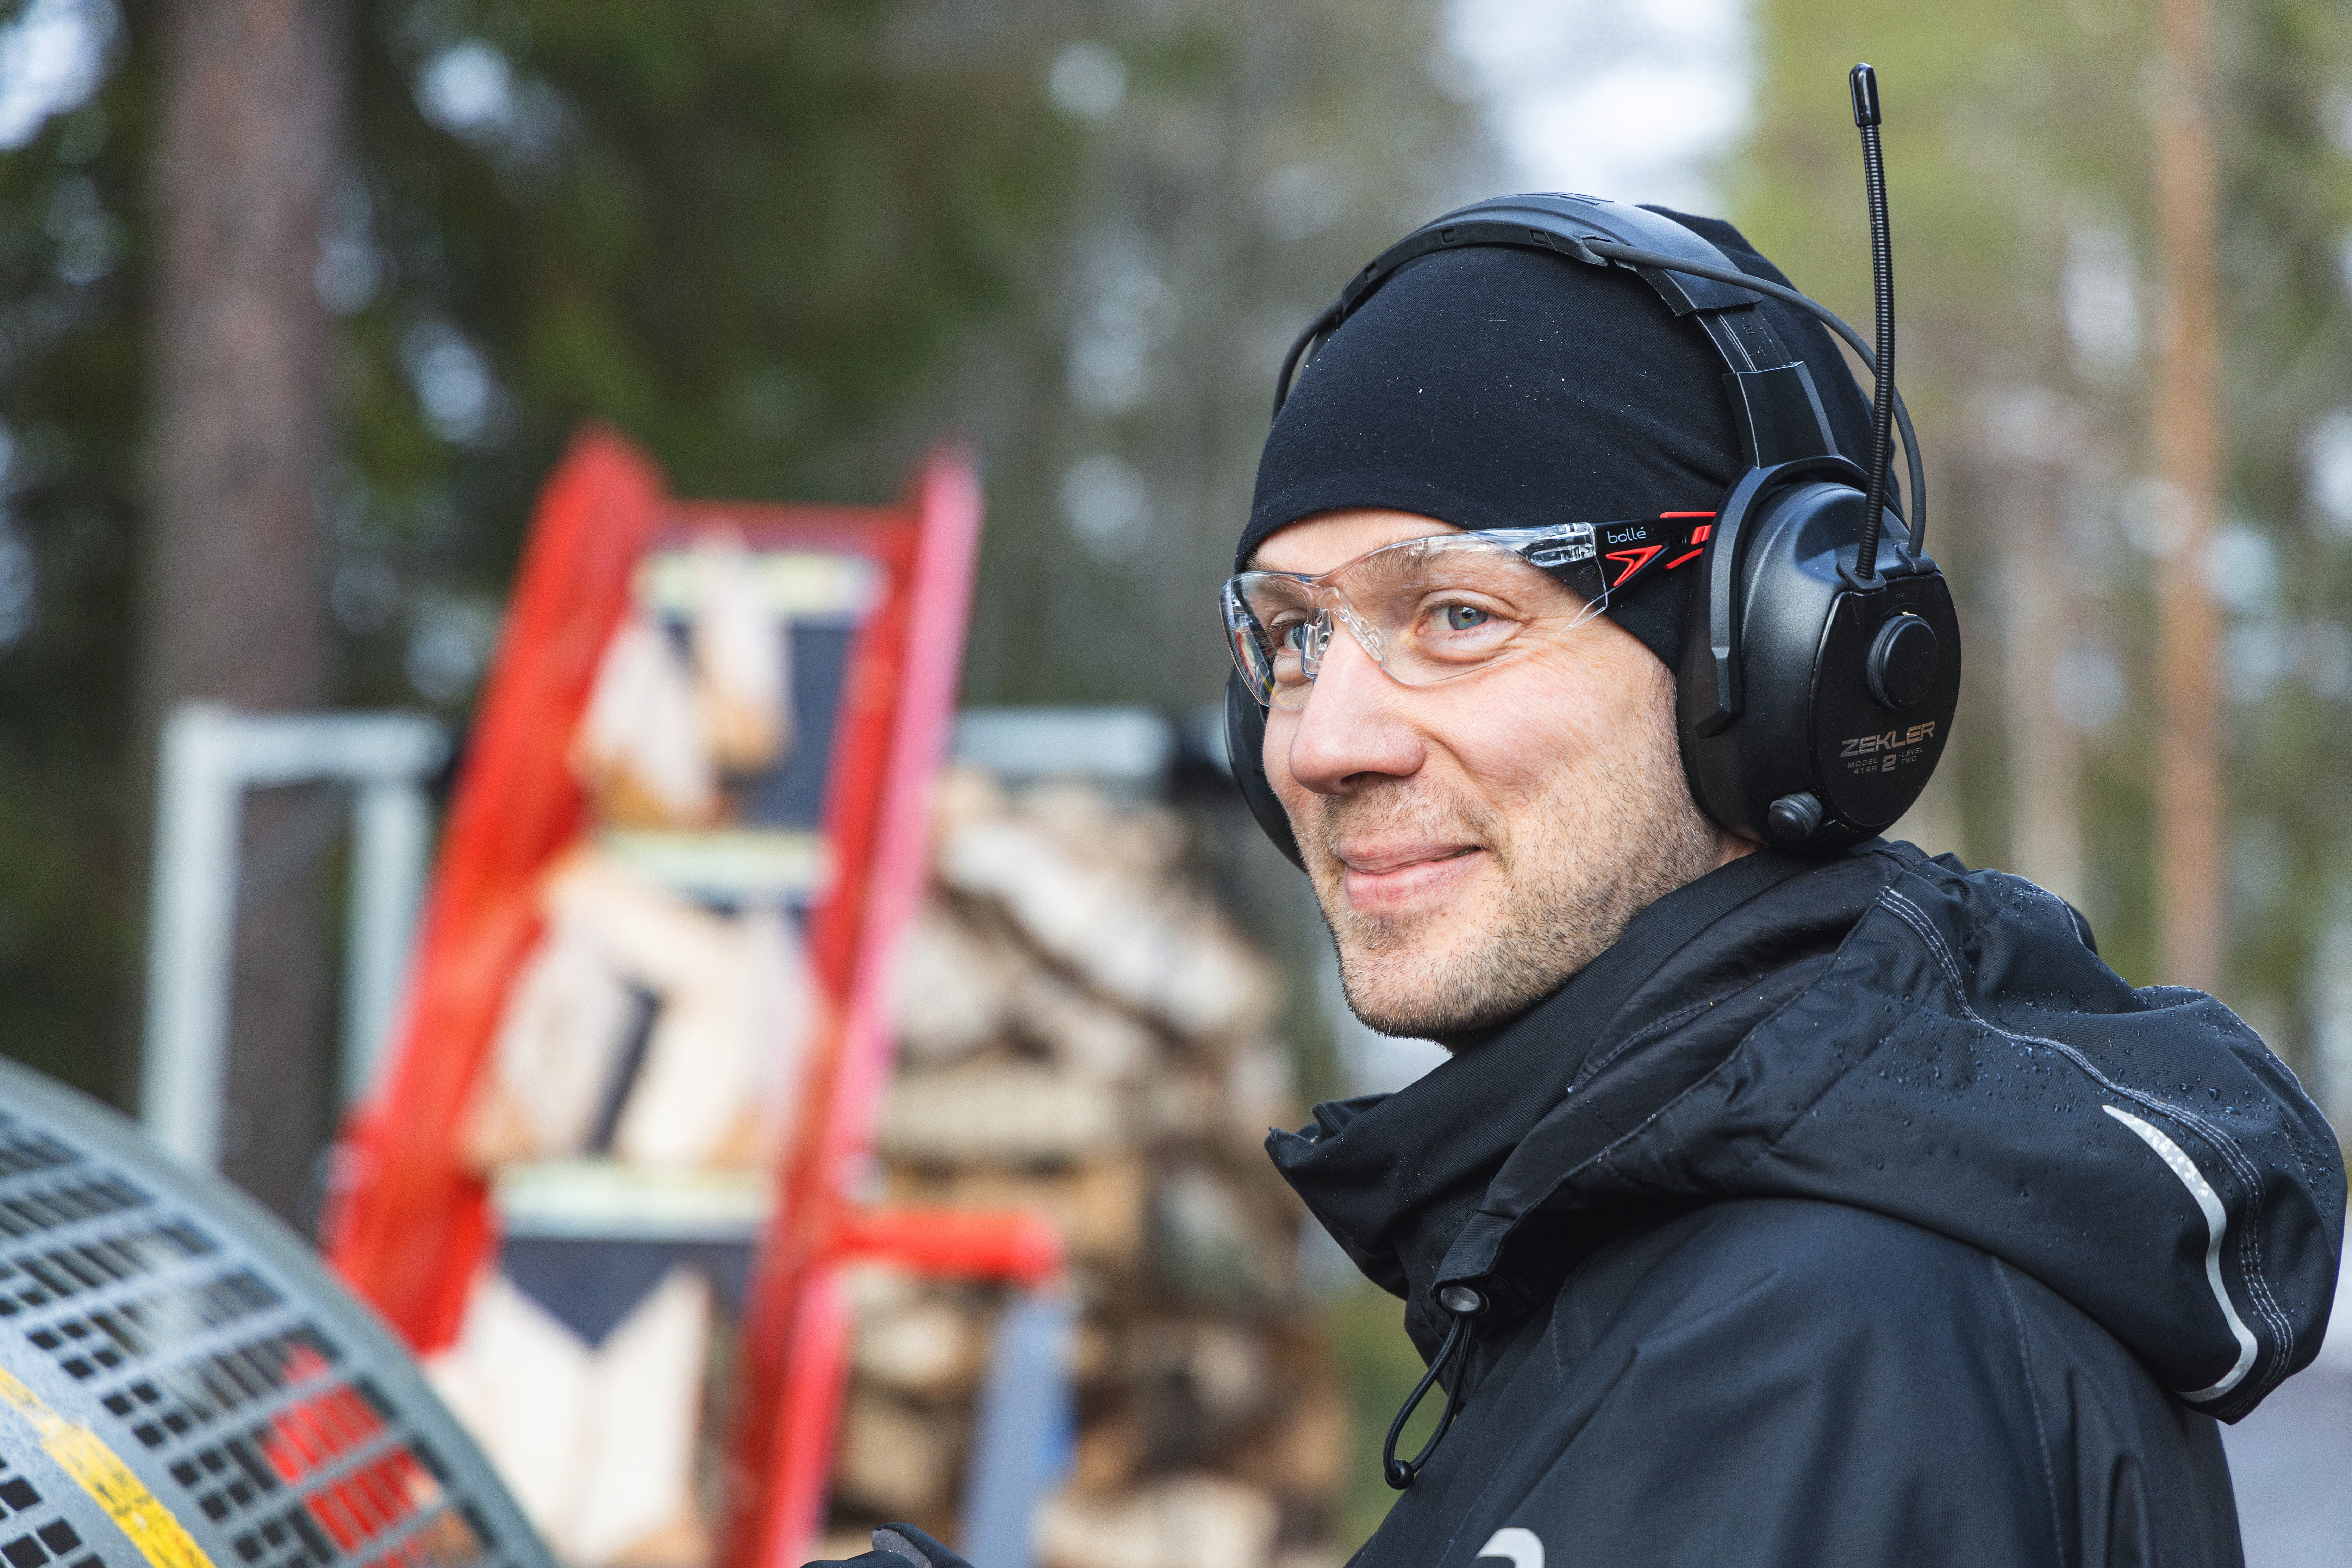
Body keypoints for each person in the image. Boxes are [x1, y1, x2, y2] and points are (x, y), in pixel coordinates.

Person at [818, 204, 2344, 1568]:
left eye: (1458, 612)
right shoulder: (1671, 1248)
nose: (1324, 740)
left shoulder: (1826, 1337)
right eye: (1291, 637)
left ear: (1772, 669)